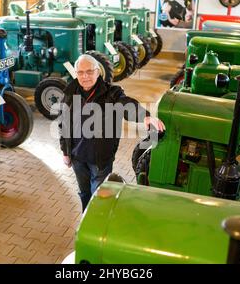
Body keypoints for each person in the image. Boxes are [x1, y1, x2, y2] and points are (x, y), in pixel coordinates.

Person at [58, 54, 165, 211]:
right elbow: (63, 125)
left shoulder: (111, 93)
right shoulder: (69, 93)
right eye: (80, 72)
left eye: (89, 71)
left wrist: (145, 117)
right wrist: (65, 152)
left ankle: (96, 225)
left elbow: (126, 104)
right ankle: (85, 219)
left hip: (100, 160)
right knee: (84, 193)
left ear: (98, 72)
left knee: (99, 197)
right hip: (77, 158)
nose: (85, 76)